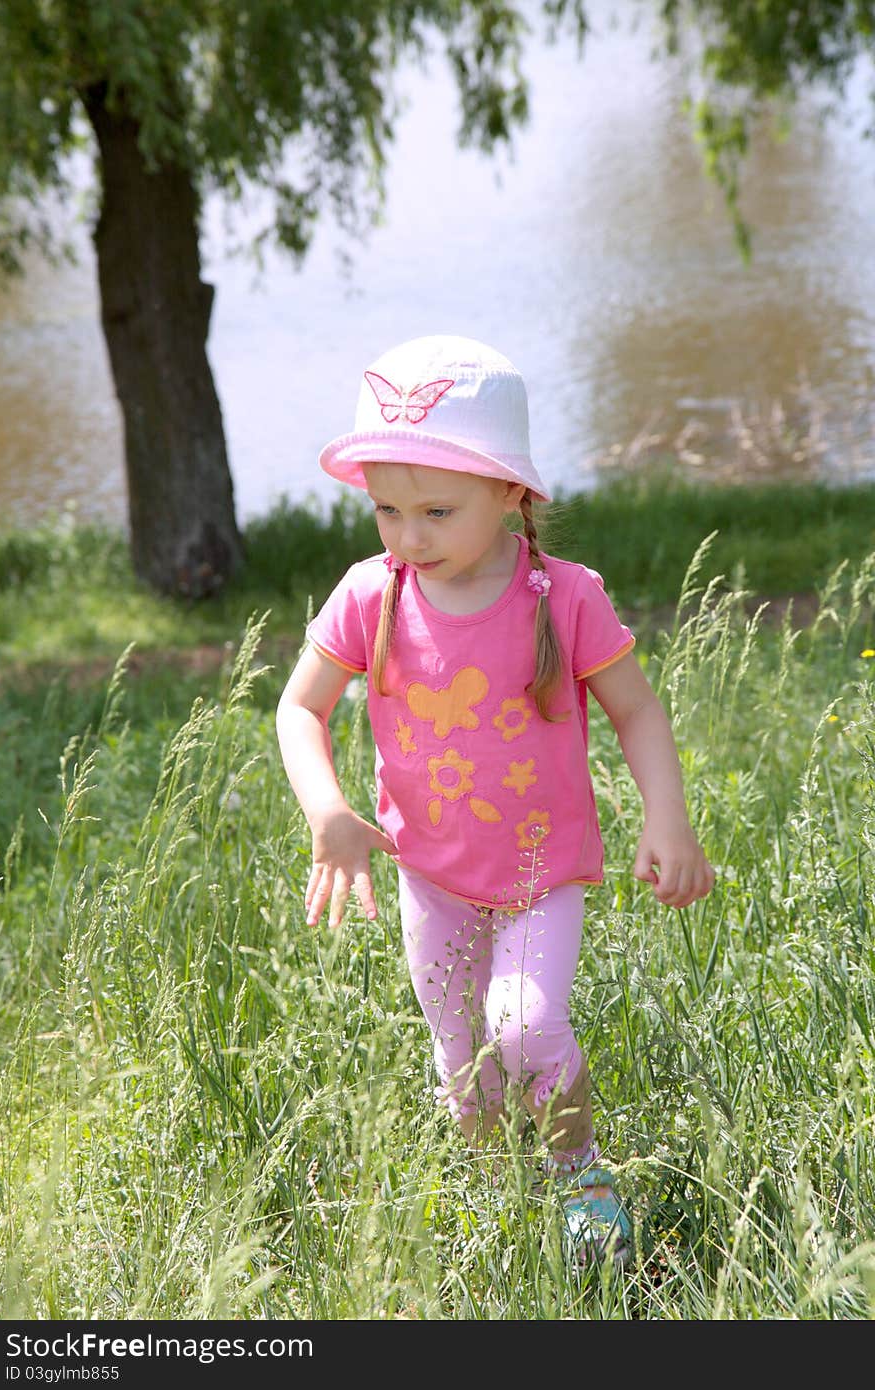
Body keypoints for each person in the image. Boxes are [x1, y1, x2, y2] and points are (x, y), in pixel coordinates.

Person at [276, 334, 715, 1267]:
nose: (408, 537)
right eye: (387, 510)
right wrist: (329, 810)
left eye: (435, 510)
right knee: (460, 1058)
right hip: (430, 874)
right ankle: (489, 1192)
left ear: (511, 492)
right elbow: (298, 708)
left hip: (538, 871)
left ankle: (579, 1172)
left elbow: (636, 710)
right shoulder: (370, 594)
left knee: (524, 1028)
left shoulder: (562, 596)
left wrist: (665, 817)